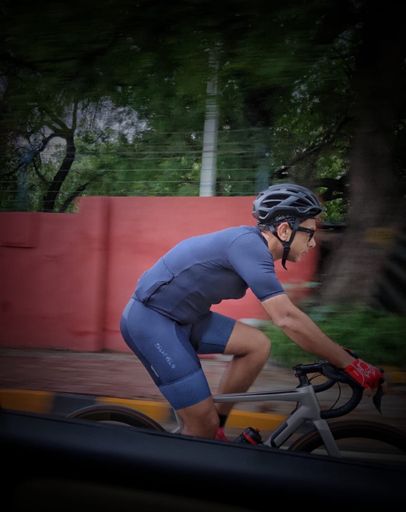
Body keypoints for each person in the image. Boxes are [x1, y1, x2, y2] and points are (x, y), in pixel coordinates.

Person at [120, 183, 383, 440]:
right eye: (309, 233)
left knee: (257, 345)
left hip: (187, 318)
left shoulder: (255, 249)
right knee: (201, 425)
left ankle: (218, 429)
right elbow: (287, 318)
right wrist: (351, 364)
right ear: (284, 230)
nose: (313, 243)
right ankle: (198, 438)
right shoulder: (248, 246)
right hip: (152, 322)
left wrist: (341, 357)